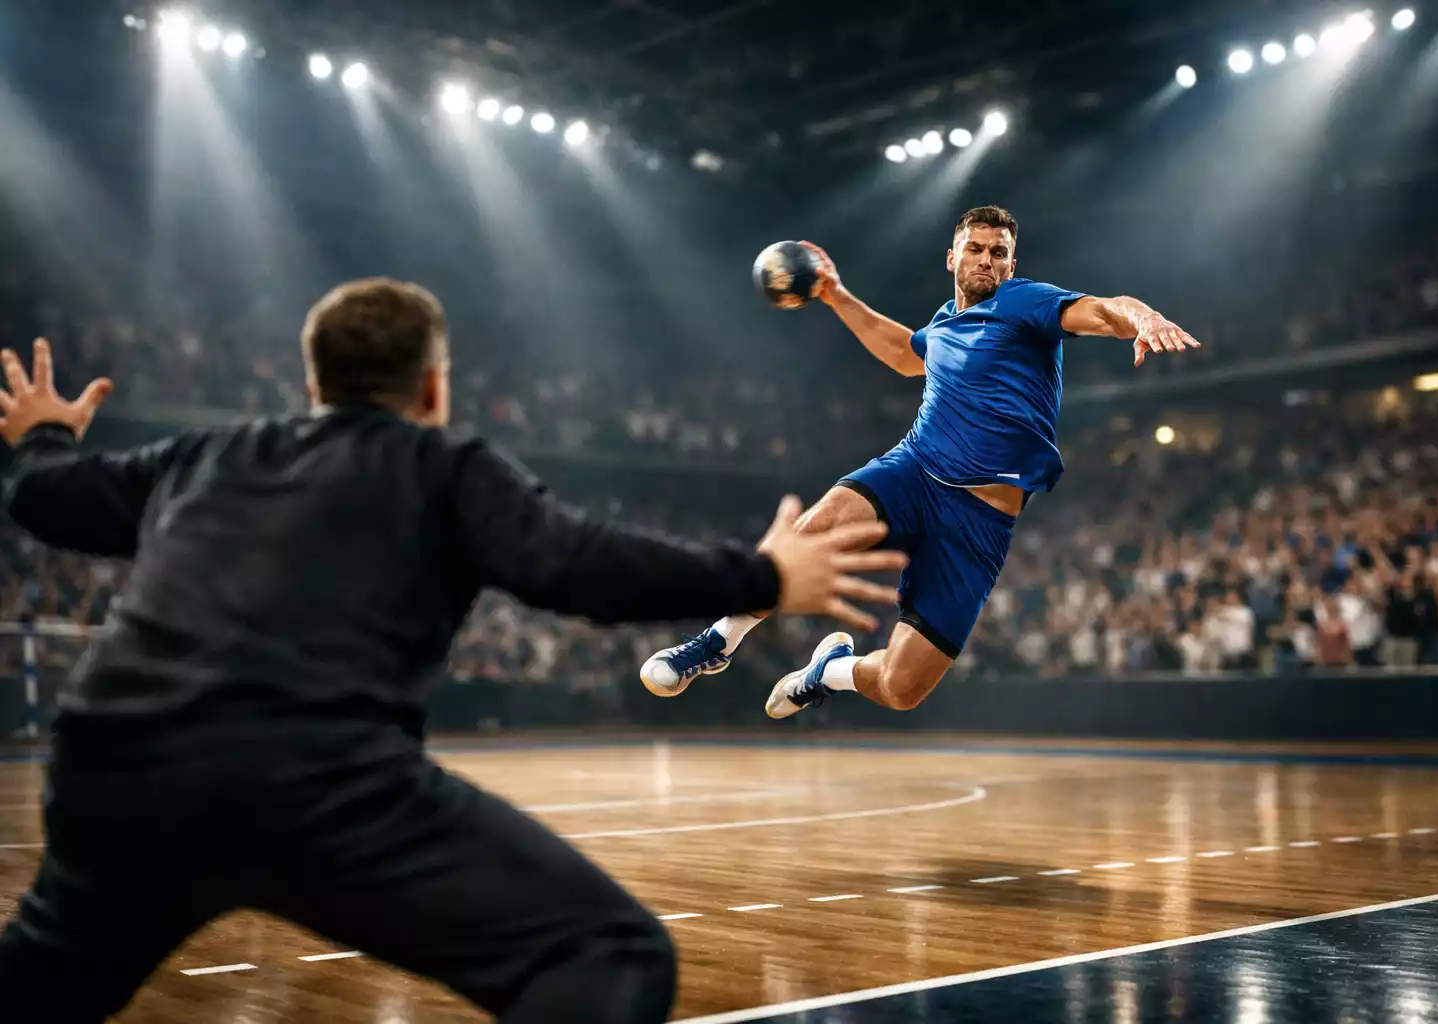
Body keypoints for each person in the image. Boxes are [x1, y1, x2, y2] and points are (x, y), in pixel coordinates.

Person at [0, 279, 907, 1024]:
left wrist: (43, 433)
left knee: (40, 989)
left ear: (314, 382)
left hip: (113, 772)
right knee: (608, 952)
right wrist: (761, 575)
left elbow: (44, 499)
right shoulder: (440, 465)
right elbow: (577, 566)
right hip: (312, 778)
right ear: (433, 389)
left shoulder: (205, 455)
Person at [641, 205, 1200, 718]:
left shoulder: (1025, 302)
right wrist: (836, 295)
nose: (986, 259)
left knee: (901, 689)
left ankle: (828, 672)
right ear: (952, 257)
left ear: (1012, 264)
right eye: (975, 248)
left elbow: (1103, 310)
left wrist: (1142, 318)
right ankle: (717, 643)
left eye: (998, 251)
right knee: (810, 532)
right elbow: (904, 353)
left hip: (979, 521)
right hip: (913, 471)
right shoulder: (944, 324)